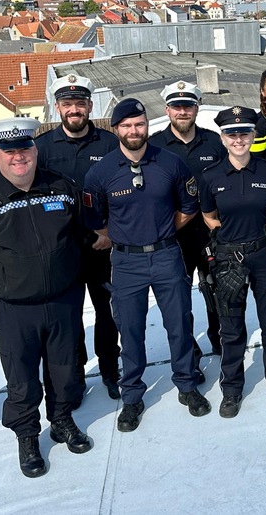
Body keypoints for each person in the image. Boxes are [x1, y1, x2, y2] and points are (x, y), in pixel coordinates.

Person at [0, 118, 91, 479]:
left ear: (35, 149)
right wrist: (11, 276)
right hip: (14, 309)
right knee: (22, 379)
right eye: (9, 151)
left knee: (64, 371)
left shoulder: (62, 188)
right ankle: (28, 436)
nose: (19, 157)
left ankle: (61, 422)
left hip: (63, 300)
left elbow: (80, 234)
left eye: (25, 149)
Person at [82, 98, 211, 432]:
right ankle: (132, 396)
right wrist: (127, 236)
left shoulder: (170, 163)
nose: (133, 131)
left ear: (147, 126)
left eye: (139, 124)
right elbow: (95, 219)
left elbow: (188, 206)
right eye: (126, 126)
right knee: (131, 330)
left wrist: (160, 232)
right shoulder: (100, 173)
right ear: (116, 129)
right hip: (126, 261)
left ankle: (187, 385)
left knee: (179, 324)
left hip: (167, 254)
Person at [198, 106, 266, 418]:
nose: (238, 138)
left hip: (264, 255)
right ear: (223, 138)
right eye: (231, 133)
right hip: (229, 258)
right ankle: (231, 389)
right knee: (232, 328)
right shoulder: (210, 176)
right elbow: (208, 215)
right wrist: (225, 235)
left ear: (253, 135)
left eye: (243, 132)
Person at [33, 73, 122, 399]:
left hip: (102, 246)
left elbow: (122, 193)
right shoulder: (41, 149)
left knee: (107, 312)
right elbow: (36, 201)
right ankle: (75, 376)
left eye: (80, 104)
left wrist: (112, 232)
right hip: (63, 251)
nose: (74, 110)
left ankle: (111, 371)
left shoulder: (109, 144)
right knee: (68, 317)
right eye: (68, 104)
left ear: (89, 106)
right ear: (58, 108)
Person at [149, 80, 225, 356]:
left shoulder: (214, 142)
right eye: (177, 107)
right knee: (178, 297)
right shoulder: (154, 146)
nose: (183, 112)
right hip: (173, 236)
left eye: (188, 106)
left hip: (210, 233)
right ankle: (188, 346)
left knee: (217, 291)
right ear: (167, 110)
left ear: (197, 108)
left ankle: (220, 338)